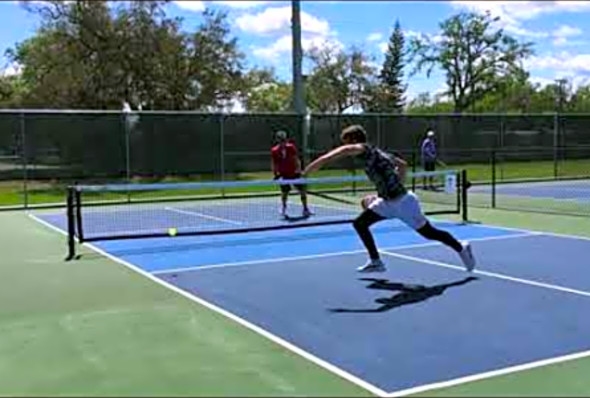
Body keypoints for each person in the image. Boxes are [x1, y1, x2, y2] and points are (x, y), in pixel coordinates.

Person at [302, 124, 475, 273]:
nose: (345, 146)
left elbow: (340, 153)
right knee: (360, 224)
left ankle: (461, 247)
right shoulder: (378, 152)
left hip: (404, 202)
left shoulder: (364, 149)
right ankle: (376, 262)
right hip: (386, 202)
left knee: (430, 234)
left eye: (346, 141)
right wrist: (391, 186)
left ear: (354, 141)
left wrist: (309, 169)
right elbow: (402, 165)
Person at [271, 130, 312, 219]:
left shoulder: (291, 147)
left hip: (294, 173)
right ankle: (283, 209)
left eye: (284, 139)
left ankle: (305, 209)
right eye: (280, 140)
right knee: (285, 193)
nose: (283, 142)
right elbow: (275, 164)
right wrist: (275, 174)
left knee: (302, 191)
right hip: (284, 174)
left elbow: (296, 159)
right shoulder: (274, 150)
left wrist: (299, 170)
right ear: (278, 140)